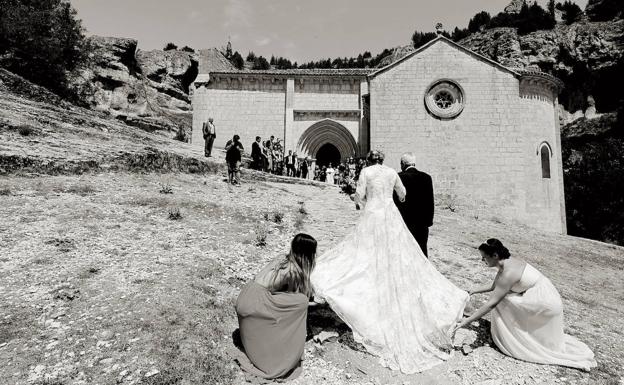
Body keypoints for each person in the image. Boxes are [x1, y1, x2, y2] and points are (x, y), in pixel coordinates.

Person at [311, 150, 468, 374]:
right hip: (390, 213)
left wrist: (358, 201)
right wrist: (395, 198)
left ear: (369, 160)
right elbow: (402, 194)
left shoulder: (366, 171)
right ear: (383, 160)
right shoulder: (392, 173)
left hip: (373, 213)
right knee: (396, 248)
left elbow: (360, 194)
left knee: (365, 248)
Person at [452, 239, 597, 371]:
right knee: (503, 297)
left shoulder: (508, 273)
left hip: (545, 302)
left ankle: (512, 338)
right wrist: (473, 291)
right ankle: (516, 332)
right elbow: (495, 285)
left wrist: (466, 322)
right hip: (546, 294)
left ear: (495, 255)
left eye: (484, 257)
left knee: (501, 301)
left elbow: (491, 303)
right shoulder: (508, 261)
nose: (482, 260)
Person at [236, 234, 318, 382]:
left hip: (246, 295)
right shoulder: (294, 270)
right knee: (301, 302)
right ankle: (287, 335)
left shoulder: (283, 259)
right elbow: (299, 295)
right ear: (308, 254)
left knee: (292, 299)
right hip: (255, 303)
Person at [393, 152, 434, 257]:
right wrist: (428, 221)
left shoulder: (398, 177)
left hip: (404, 222)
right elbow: (430, 202)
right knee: (421, 251)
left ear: (402, 164)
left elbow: (395, 201)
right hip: (422, 223)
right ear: (414, 164)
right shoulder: (426, 178)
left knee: (405, 252)